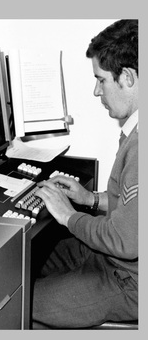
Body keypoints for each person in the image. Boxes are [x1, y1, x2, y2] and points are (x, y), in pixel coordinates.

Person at [32, 19, 138, 329]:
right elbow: (132, 210)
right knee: (21, 268)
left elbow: (124, 241)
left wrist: (67, 216)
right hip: (113, 260)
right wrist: (90, 199)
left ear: (128, 77)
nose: (95, 90)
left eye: (101, 80)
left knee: (17, 299)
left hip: (128, 281)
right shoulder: (135, 131)